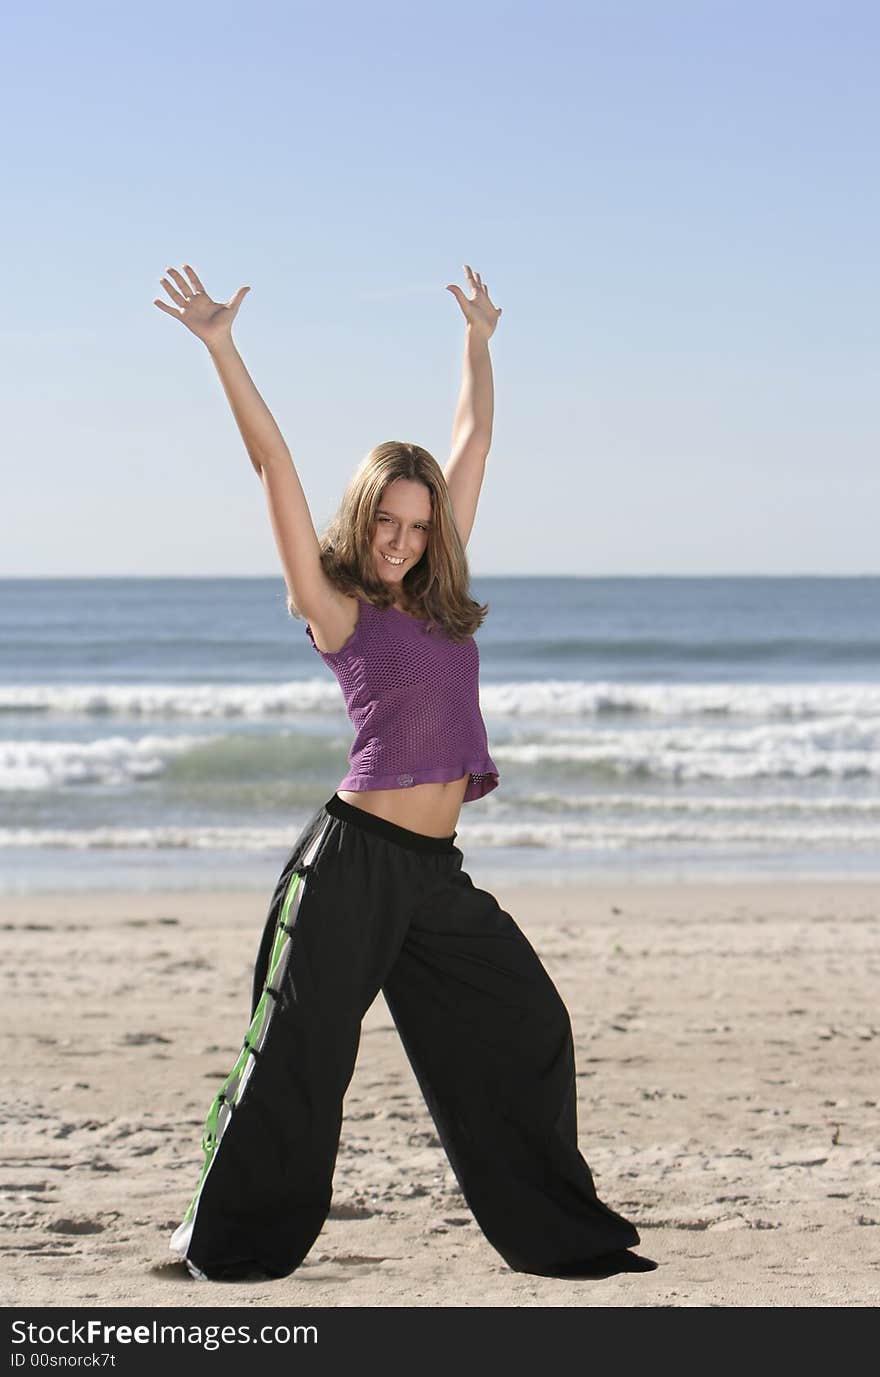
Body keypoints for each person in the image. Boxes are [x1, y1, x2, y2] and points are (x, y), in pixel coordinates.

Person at [153, 262, 656, 1282]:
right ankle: (214, 1240)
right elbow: (272, 465)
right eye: (386, 520)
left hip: (432, 877)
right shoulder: (337, 607)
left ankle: (559, 1233)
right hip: (350, 867)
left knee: (527, 1022)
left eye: (418, 525)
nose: (401, 540)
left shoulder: (436, 595)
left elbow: (472, 437)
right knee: (296, 1063)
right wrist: (221, 347)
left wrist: (478, 341)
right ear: (361, 516)